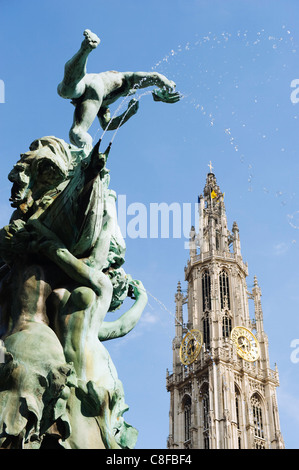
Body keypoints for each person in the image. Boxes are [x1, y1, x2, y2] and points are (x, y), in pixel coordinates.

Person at [57, 29, 180, 149]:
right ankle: (86, 49)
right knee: (66, 92)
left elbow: (107, 125)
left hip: (89, 94)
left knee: (75, 128)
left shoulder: (105, 104)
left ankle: (86, 153)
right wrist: (167, 85)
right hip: (94, 84)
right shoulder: (124, 78)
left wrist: (129, 113)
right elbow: (154, 76)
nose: (131, 92)